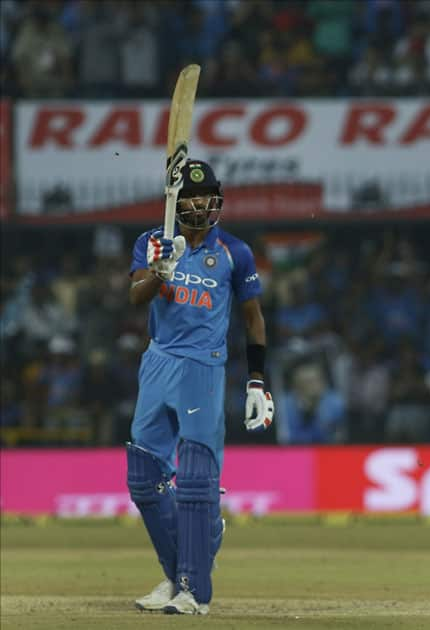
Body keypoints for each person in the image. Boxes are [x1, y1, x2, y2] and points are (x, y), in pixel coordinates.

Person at [126, 159, 274, 615]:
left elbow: (253, 318)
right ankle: (175, 577)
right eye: (189, 195)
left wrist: (257, 381)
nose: (198, 202)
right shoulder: (152, 241)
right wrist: (160, 271)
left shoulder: (234, 251)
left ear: (216, 200)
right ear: (176, 200)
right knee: (143, 479)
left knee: (193, 480)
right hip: (158, 361)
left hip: (202, 369)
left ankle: (195, 592)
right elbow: (135, 295)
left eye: (206, 194)